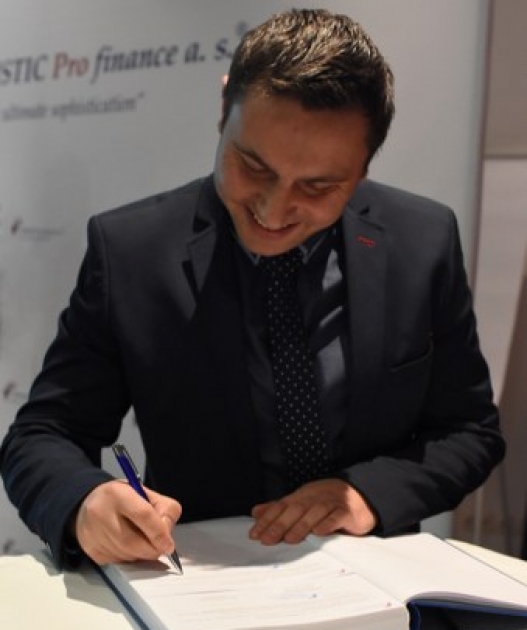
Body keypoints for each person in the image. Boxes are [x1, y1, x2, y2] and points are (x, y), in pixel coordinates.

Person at [0, 8, 504, 568]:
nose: (274, 209)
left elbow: (469, 431)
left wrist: (366, 495)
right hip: (196, 583)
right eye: (253, 166)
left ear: (364, 167)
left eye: (318, 187)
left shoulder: (422, 241)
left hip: (375, 580)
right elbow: (43, 434)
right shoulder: (132, 252)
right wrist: (85, 503)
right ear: (225, 108)